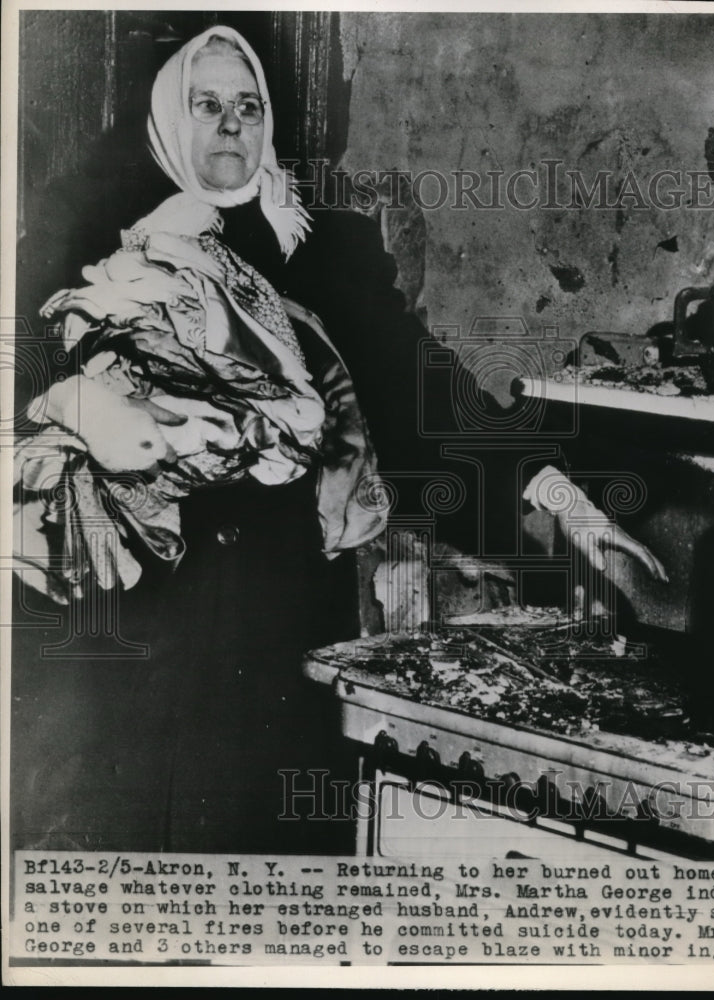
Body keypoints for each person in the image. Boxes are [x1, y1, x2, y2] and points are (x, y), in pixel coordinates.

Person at [11, 25, 667, 856]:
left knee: (265, 823)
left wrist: (561, 497)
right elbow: (22, 375)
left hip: (280, 594)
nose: (230, 127)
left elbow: (420, 382)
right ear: (168, 118)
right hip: (144, 594)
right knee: (137, 823)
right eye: (206, 105)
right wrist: (78, 405)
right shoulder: (95, 237)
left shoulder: (313, 247)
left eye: (248, 108)